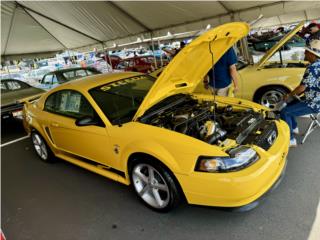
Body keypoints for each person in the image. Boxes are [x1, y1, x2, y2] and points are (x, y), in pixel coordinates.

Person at [280, 39, 320, 147]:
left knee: (285, 112)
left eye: (306, 52)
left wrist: (289, 95)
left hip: (314, 102)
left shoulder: (312, 68)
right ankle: (294, 128)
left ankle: (291, 140)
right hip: (315, 98)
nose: (304, 53)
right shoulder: (318, 64)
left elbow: (302, 87)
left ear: (312, 54)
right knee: (289, 104)